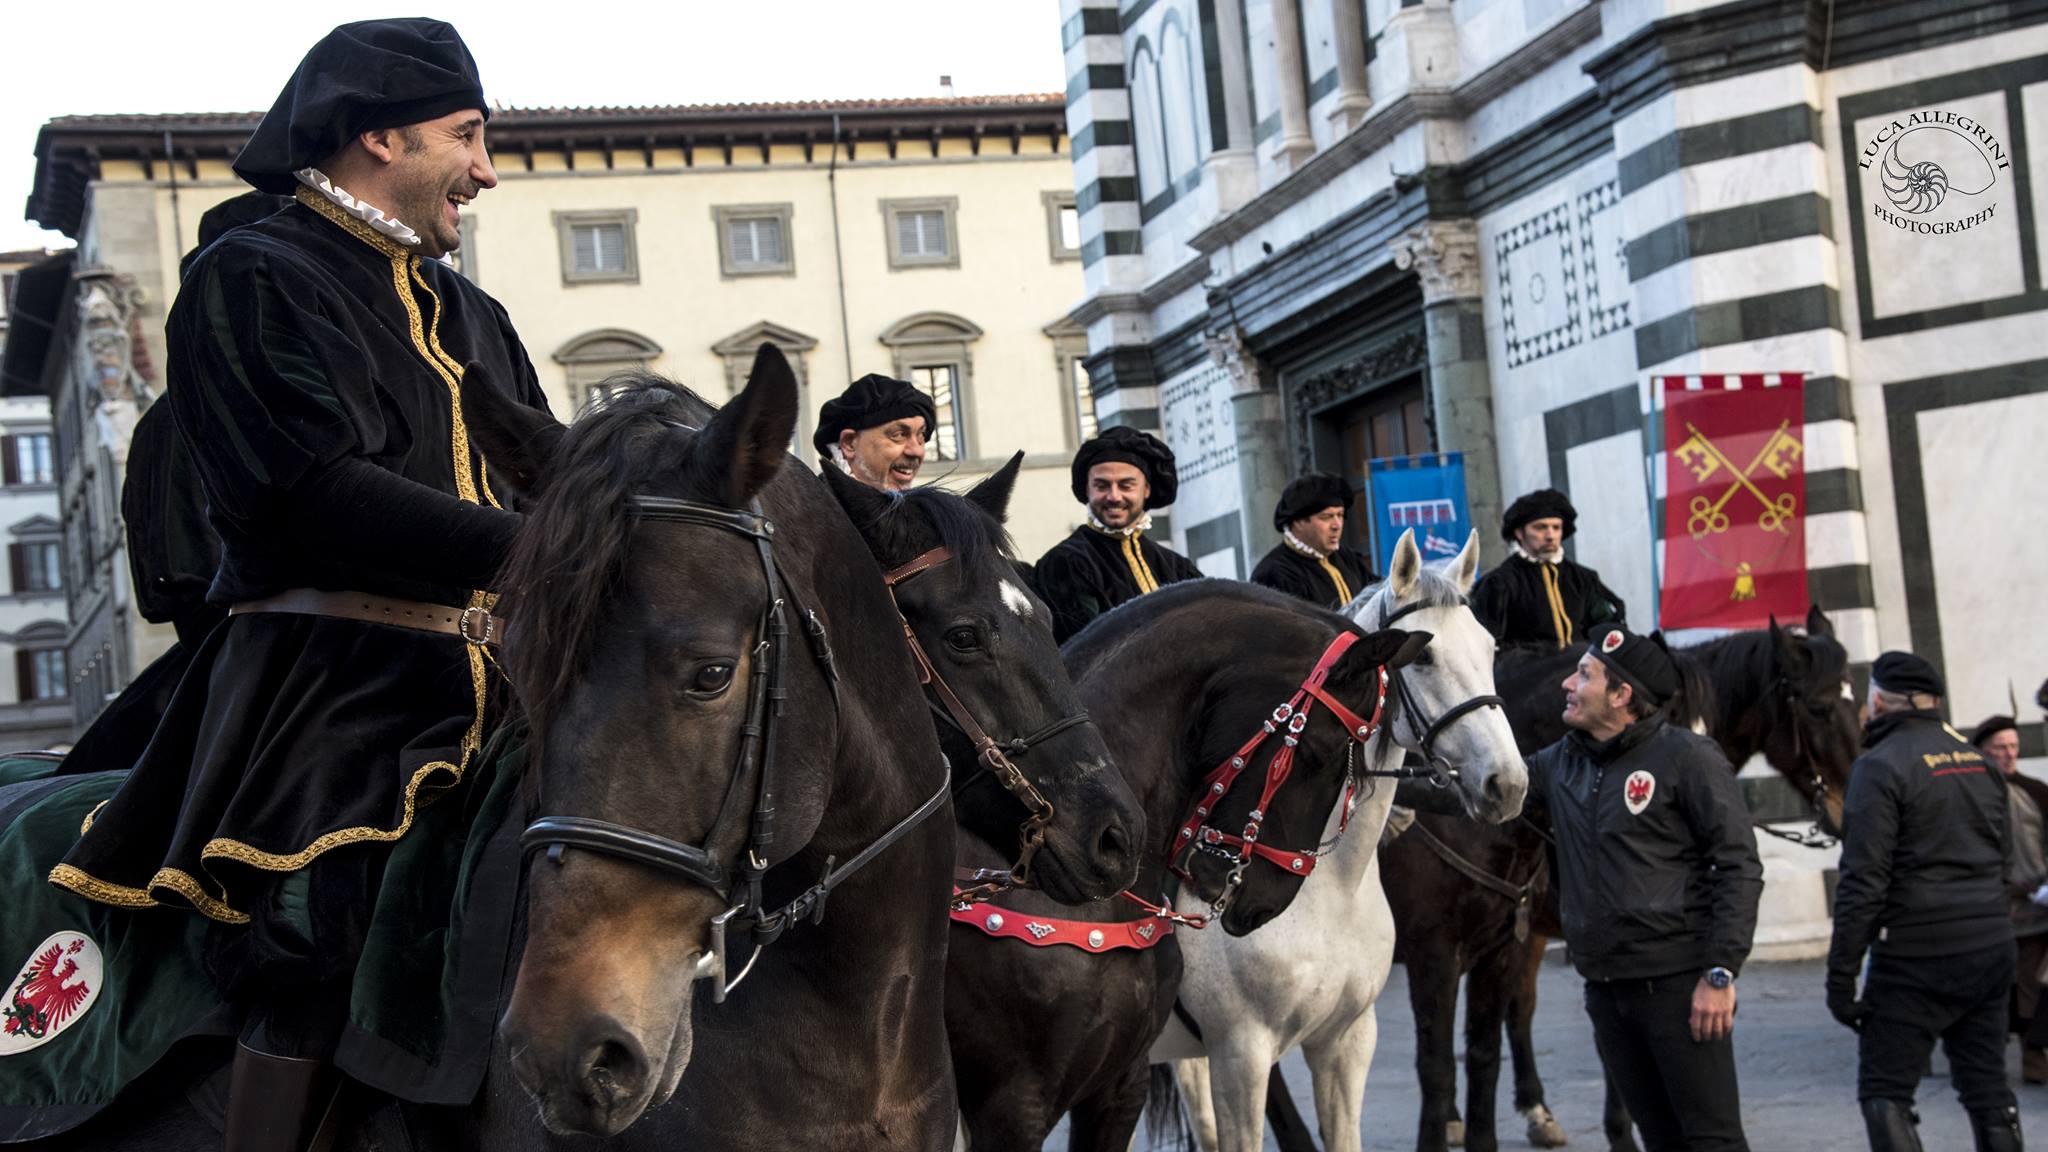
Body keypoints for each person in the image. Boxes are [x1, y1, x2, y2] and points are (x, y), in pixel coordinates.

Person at [47, 20, 551, 1151]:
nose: (486, 168)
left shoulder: (475, 313)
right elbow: (311, 491)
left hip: (503, 677)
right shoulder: (252, 275)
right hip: (331, 687)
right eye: (467, 137)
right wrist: (545, 551)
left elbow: (545, 468)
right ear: (379, 134)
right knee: (323, 923)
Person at [1526, 623, 1762, 1152]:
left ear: (1622, 694)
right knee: (1659, 1139)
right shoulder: (1559, 761)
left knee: (1712, 1139)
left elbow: (1739, 866)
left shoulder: (1688, 757)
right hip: (1606, 991)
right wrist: (1381, 777)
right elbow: (1482, 788)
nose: (1568, 683)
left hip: (1680, 988)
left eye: (1584, 674)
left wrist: (1720, 974)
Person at [1827, 654, 2021, 1152]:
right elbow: (2007, 859)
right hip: (1991, 943)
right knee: (1988, 1089)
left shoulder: (1879, 766)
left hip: (1915, 953)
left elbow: (1862, 882)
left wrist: (1841, 976)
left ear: (1877, 700)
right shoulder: (1979, 762)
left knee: (1884, 1092)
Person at [1033, 426, 1201, 643]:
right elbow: (1086, 649)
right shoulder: (1066, 563)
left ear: (1146, 489)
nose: (1114, 496)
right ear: (1087, 489)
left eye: (1126, 485)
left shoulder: (1177, 568)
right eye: (1102, 485)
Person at [1976, 715, 2048, 1085]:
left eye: (2014, 747)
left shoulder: (2035, 791)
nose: (2009, 754)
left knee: (2031, 984)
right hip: (1990, 907)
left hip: (2037, 907)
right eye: (2000, 748)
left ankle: (2033, 1056)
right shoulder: (1971, 793)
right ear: (1984, 751)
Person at [1470, 487, 1625, 649]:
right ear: (1519, 533)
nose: (1550, 536)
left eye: (1556, 527)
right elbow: (1486, 642)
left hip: (1582, 669)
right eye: (1540, 527)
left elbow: (1606, 628)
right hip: (1525, 671)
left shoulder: (1584, 578)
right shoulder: (1499, 583)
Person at [1250, 472, 1378, 610]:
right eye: (1326, 517)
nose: (1337, 525)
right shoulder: (1273, 573)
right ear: (1299, 522)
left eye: (1340, 515)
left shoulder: (1347, 557)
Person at [812, 373, 934, 491]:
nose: (916, 451)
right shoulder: (811, 509)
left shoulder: (923, 510)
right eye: (899, 435)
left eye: (921, 435)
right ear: (849, 443)